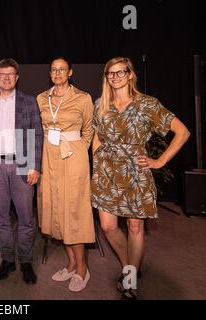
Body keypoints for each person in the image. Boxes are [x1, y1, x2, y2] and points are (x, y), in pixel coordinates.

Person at [91, 57, 190, 299]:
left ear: (131, 74)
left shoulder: (147, 104)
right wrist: (96, 166)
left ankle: (130, 278)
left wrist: (160, 161)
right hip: (106, 173)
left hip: (135, 172)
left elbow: (183, 131)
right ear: (106, 77)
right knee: (108, 227)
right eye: (110, 73)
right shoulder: (100, 104)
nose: (115, 77)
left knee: (135, 226)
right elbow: (97, 137)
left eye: (120, 72)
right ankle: (131, 267)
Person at [36, 56, 95, 292]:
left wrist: (79, 150)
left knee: (74, 210)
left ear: (70, 72)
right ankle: (71, 264)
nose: (58, 73)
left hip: (73, 157)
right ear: (50, 73)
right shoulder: (42, 98)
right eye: (54, 70)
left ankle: (83, 268)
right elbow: (41, 129)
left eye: (62, 69)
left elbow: (89, 130)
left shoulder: (82, 98)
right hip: (49, 158)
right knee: (57, 209)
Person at [0, 58, 43, 284]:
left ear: (17, 77)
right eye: (2, 75)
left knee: (25, 219)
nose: (7, 78)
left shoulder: (29, 102)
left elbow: (37, 134)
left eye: (11, 74)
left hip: (22, 164)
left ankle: (26, 261)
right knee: (1, 217)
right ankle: (8, 260)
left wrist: (35, 166)